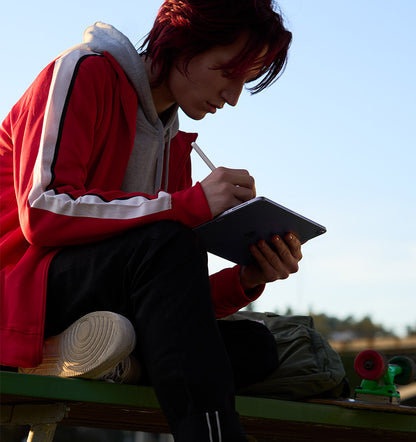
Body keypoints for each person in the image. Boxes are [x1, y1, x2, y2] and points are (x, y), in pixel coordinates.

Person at [0, 0, 302, 440]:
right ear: (181, 43)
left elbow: (176, 301)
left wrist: (247, 278)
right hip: (22, 289)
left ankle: (112, 361)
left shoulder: (174, 144)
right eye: (227, 71)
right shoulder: (84, 70)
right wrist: (187, 205)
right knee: (167, 243)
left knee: (257, 348)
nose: (234, 97)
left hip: (99, 301)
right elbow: (43, 211)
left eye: (245, 81)